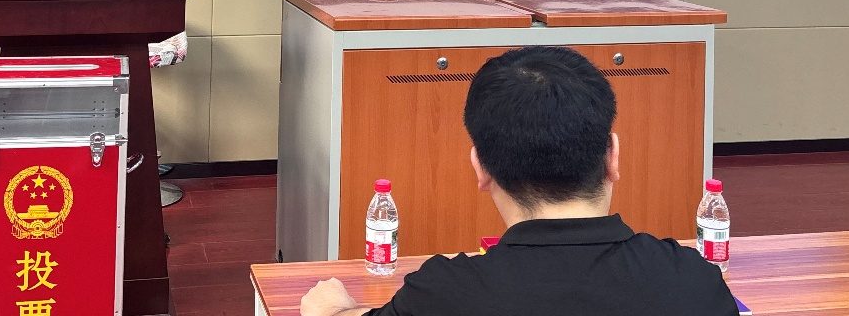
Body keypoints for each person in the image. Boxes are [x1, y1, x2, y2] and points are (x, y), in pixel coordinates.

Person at [301, 46, 738, 316]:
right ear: (613, 157)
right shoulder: (695, 284)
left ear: (480, 167)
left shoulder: (444, 295)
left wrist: (334, 308)